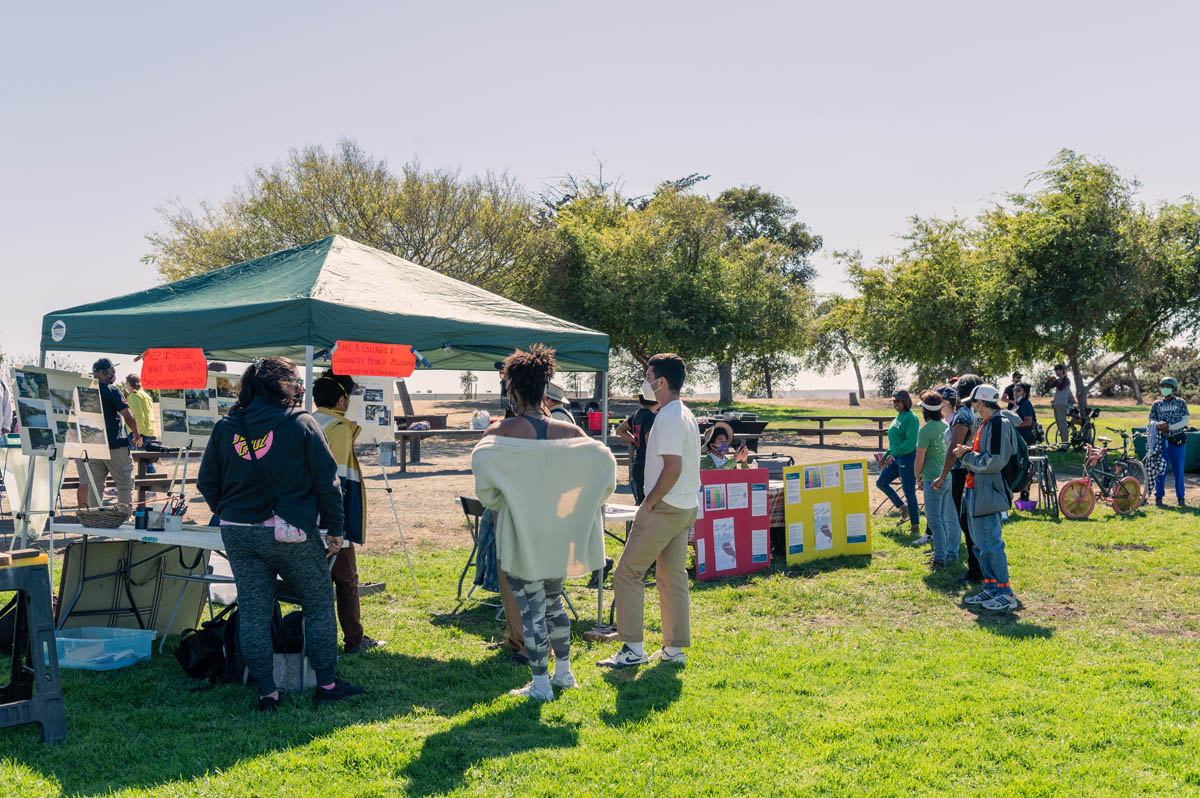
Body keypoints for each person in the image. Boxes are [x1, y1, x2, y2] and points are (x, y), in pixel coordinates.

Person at [196, 356, 363, 711]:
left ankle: (267, 691)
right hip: (289, 531)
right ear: (286, 386)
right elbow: (327, 483)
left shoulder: (226, 428)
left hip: (239, 532)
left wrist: (228, 512)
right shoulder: (299, 422)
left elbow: (206, 483)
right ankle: (327, 683)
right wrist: (336, 530)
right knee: (318, 605)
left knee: (255, 611)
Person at [472, 345, 615, 700]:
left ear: (514, 390)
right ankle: (564, 673)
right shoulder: (573, 435)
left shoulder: (498, 436)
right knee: (554, 605)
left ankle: (539, 685)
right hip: (561, 536)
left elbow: (488, 495)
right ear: (544, 388)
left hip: (522, 538)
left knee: (533, 611)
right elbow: (605, 470)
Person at [599, 353, 701, 670]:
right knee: (671, 577)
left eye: (648, 374)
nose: (645, 380)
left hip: (666, 506)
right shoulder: (684, 414)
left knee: (626, 573)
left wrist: (648, 504)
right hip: (685, 505)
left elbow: (672, 468)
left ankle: (632, 648)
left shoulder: (670, 416)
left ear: (662, 381)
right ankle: (674, 649)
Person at [312, 371, 387, 654]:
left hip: (306, 516)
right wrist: (337, 528)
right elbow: (338, 481)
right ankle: (354, 640)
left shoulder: (309, 421)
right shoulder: (339, 428)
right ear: (342, 399)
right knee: (347, 580)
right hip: (330, 521)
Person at [952, 384, 1020, 613]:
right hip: (977, 488)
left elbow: (994, 462)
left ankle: (1005, 592)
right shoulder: (987, 423)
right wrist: (969, 453)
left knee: (991, 543)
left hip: (989, 491)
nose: (971, 407)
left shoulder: (999, 424)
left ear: (980, 403)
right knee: (981, 544)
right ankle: (991, 586)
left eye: (972, 403)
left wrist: (966, 455)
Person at [932, 374, 984, 585]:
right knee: (973, 524)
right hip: (976, 470)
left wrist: (942, 475)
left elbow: (954, 448)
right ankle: (979, 569)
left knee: (966, 523)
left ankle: (975, 571)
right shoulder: (978, 412)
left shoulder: (963, 415)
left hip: (961, 472)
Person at [75, 359, 142, 510]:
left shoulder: (85, 391)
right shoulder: (112, 390)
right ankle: (124, 517)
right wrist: (137, 435)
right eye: (111, 370)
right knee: (125, 484)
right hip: (115, 445)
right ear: (104, 372)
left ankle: (94, 518)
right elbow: (129, 416)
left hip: (94, 445)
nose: (113, 374)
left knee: (95, 486)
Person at [914, 391, 957, 566]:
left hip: (932, 479)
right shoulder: (947, 427)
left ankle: (939, 558)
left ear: (925, 410)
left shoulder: (925, 431)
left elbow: (919, 459)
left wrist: (918, 477)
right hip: (947, 477)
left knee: (934, 521)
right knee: (943, 520)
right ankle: (945, 552)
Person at [875, 390, 920, 536]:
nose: (895, 404)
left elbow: (910, 443)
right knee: (881, 482)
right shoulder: (899, 417)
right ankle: (903, 507)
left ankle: (915, 525)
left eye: (898, 401)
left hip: (907, 458)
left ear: (906, 401)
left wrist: (892, 454)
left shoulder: (911, 418)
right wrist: (887, 454)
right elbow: (895, 442)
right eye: (894, 401)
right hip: (896, 457)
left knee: (909, 492)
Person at [1149, 377, 1190, 508]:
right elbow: (1151, 419)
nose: (1164, 388)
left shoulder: (1180, 402)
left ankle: (1181, 498)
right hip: (1161, 441)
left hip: (1177, 440)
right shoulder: (1156, 404)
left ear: (1173, 388)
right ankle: (1159, 497)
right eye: (1162, 386)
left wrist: (1170, 427)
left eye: (1167, 386)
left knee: (1179, 469)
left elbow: (1185, 419)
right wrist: (1157, 424)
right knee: (1161, 469)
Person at [615, 395, 659, 504]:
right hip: (647, 467)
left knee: (640, 504)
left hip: (637, 464)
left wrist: (635, 440)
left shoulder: (637, 414)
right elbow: (650, 444)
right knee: (649, 506)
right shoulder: (650, 416)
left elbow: (620, 430)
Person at [1010, 382, 1038, 502]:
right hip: (1018, 440)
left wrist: (1012, 424)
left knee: (1026, 467)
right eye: (1014, 390)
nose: (1015, 393)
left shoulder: (1026, 404)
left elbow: (1028, 421)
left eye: (1018, 390)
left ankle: (1025, 494)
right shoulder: (1018, 404)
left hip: (1027, 439)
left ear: (1025, 393)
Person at [1048, 364, 1073, 445]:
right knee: (1059, 426)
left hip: (1062, 405)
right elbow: (1048, 388)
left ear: (1062, 370)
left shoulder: (1066, 380)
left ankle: (1065, 445)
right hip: (1056, 405)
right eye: (1055, 370)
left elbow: (1061, 387)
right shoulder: (1058, 380)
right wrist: (1048, 381)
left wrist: (1055, 381)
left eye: (1057, 370)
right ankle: (1063, 444)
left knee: (1063, 426)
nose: (1056, 372)